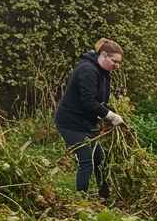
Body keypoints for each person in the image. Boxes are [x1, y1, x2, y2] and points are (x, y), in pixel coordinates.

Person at [54, 39, 125, 200]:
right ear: (104, 55)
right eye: (114, 61)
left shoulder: (104, 72)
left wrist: (110, 113)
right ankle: (81, 202)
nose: (117, 66)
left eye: (119, 63)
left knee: (100, 159)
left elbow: (101, 102)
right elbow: (89, 102)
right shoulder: (87, 70)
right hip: (70, 123)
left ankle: (104, 197)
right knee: (86, 161)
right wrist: (110, 116)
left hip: (86, 123)